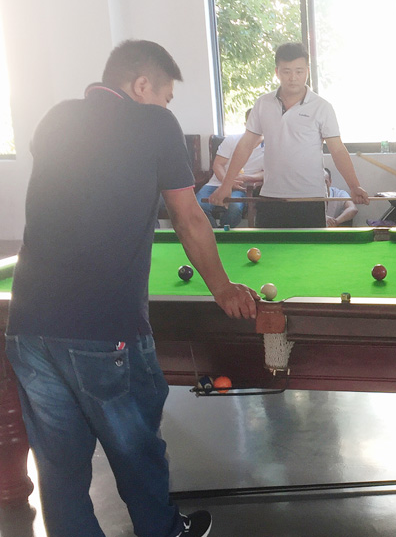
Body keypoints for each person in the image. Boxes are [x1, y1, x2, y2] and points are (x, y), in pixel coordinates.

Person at [5, 40, 259, 537]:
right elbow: (187, 217)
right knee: (135, 444)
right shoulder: (154, 123)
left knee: (58, 463)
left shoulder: (55, 118)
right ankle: (163, 531)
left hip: (28, 323)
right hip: (104, 328)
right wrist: (223, 288)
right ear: (141, 85)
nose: (167, 107)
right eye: (165, 96)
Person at [209, 41, 369, 227]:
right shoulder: (263, 103)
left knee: (310, 246)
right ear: (277, 72)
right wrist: (226, 185)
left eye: (299, 71)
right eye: (286, 71)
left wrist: (354, 186)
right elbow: (245, 145)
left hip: (310, 197)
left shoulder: (322, 107)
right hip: (271, 196)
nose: (293, 77)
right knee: (269, 246)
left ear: (307, 71)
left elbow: (338, 150)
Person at [196, 109, 264, 228]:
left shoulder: (271, 146)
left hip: (242, 187)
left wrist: (246, 177)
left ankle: (223, 233)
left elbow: (267, 173)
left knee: (234, 208)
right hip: (216, 184)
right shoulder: (232, 139)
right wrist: (227, 182)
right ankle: (214, 234)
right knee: (198, 206)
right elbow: (218, 165)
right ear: (246, 124)